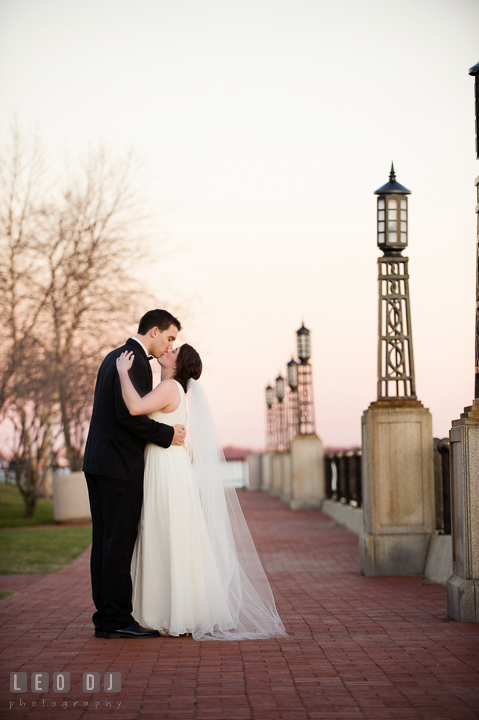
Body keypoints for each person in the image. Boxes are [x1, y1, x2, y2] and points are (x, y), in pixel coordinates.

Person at [116, 343, 287, 641]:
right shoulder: (172, 389)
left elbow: (133, 408)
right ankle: (175, 609)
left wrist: (121, 373)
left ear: (178, 365)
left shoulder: (169, 387)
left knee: (162, 531)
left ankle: (166, 612)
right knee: (171, 533)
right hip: (169, 464)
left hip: (166, 467)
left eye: (174, 351)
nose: (167, 349)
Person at [83, 309, 187, 640]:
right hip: (119, 466)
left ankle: (105, 616)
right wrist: (168, 435)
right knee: (119, 541)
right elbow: (128, 416)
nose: (170, 344)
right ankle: (116, 618)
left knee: (104, 541)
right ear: (153, 331)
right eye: (170, 337)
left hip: (98, 462)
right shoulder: (136, 362)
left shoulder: (115, 356)